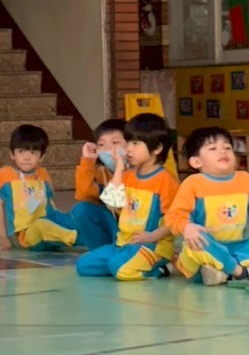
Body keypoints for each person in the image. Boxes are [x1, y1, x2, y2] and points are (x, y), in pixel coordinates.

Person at [166, 126, 249, 287]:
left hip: (236, 248)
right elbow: (174, 216)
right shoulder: (192, 184)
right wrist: (186, 227)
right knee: (197, 243)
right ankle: (241, 273)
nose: (222, 151)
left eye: (227, 148)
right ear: (196, 161)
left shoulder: (247, 181)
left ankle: (222, 272)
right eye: (213, 148)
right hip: (207, 247)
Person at [74, 112, 178, 281]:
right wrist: (119, 169)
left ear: (157, 148)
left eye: (135, 143)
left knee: (119, 269)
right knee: (83, 265)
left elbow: (176, 220)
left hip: (151, 245)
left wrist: (152, 236)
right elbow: (112, 203)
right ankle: (128, 263)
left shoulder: (166, 181)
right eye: (128, 142)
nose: (128, 148)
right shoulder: (127, 175)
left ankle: (162, 269)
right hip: (123, 244)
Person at [0, 123, 79, 252]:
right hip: (27, 235)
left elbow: (48, 203)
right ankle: (77, 239)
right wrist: (3, 237)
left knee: (75, 217)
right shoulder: (5, 174)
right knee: (40, 225)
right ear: (12, 154)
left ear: (41, 156)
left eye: (33, 152)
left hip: (49, 222)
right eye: (21, 151)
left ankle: (92, 237)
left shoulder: (43, 173)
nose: (27, 157)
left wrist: (64, 219)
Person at [72, 117, 126, 249]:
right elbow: (84, 194)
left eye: (115, 142)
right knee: (82, 209)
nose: (108, 149)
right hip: (113, 225)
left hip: (135, 230)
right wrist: (87, 160)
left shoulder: (139, 171)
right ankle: (101, 249)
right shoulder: (101, 173)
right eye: (101, 145)